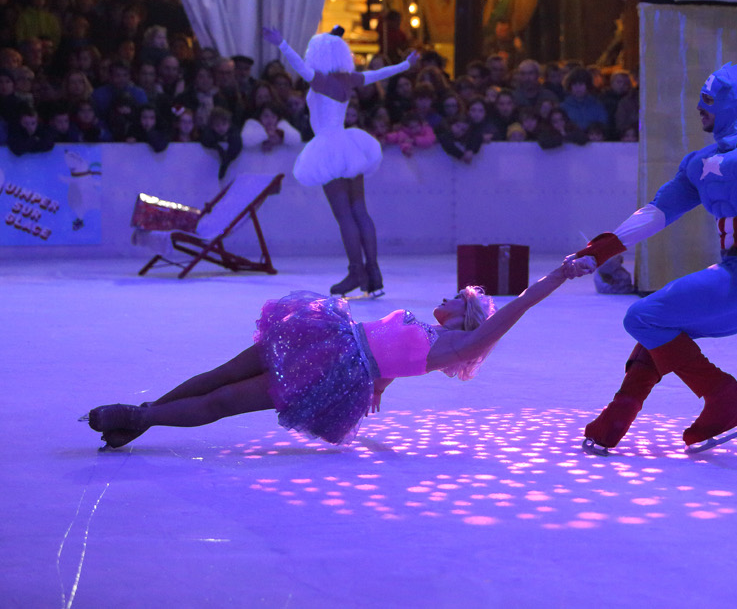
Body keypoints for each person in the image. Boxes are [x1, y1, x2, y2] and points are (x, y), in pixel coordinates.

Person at [83, 259, 593, 450]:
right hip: (325, 337)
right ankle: (145, 418)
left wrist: (559, 275)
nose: (444, 298)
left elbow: (521, 305)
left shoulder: (463, 343)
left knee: (227, 401)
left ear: (467, 315)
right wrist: (379, 388)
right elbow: (395, 357)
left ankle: (136, 415)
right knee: (220, 374)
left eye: (454, 298)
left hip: (335, 366)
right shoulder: (429, 333)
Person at [569, 62, 737, 455]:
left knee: (640, 316)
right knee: (658, 325)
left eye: (708, 99)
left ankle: (724, 395)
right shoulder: (699, 162)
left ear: (732, 103)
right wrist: (599, 251)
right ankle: (614, 422)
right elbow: (657, 212)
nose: (699, 106)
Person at [263, 25, 418, 299]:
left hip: (328, 146)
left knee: (345, 214)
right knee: (360, 210)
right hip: (348, 146)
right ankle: (374, 274)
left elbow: (300, 67)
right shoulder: (348, 79)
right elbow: (379, 73)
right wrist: (405, 64)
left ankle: (356, 271)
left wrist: (282, 43)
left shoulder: (321, 81)